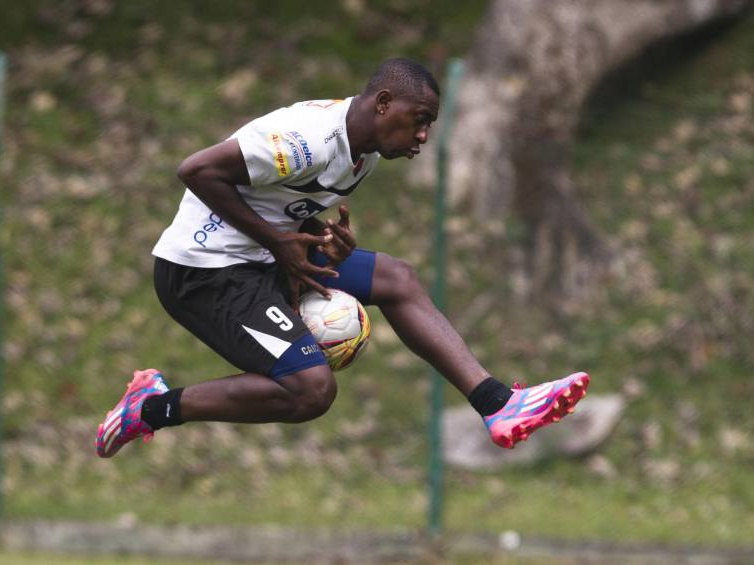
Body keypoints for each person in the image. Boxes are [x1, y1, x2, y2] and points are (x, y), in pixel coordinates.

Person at [96, 57, 589, 458]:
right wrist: (276, 240)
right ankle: (151, 408)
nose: (423, 136)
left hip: (261, 255)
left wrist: (320, 240)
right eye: (420, 121)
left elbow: (283, 205)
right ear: (383, 103)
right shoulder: (303, 141)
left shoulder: (362, 155)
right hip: (202, 273)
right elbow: (198, 170)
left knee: (396, 279)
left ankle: (497, 404)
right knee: (311, 391)